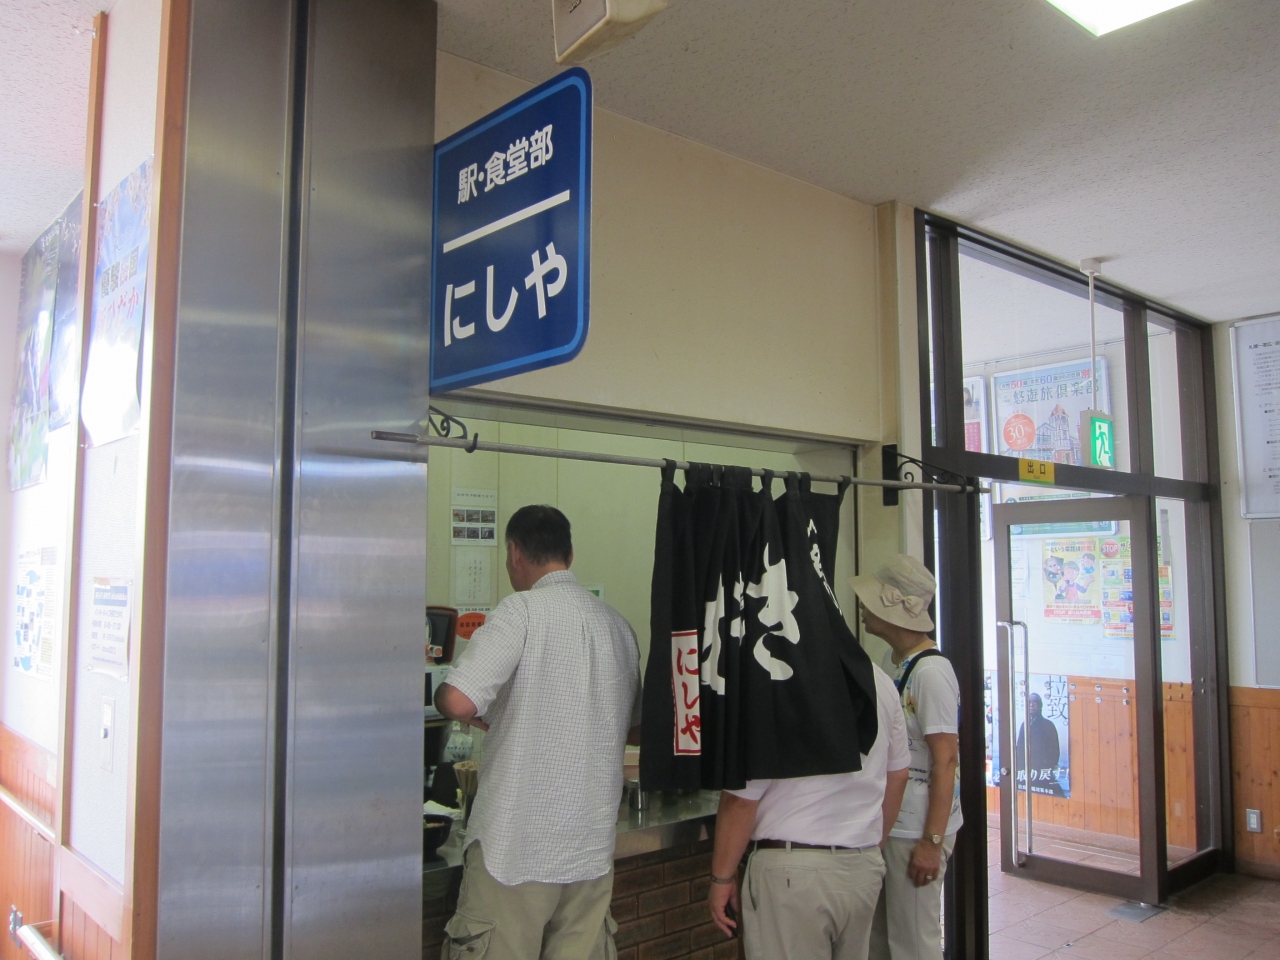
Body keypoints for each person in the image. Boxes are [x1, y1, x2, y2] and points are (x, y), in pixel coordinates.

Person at [435, 505, 642, 960]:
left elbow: (458, 702)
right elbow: (635, 728)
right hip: (590, 853)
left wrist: (451, 699)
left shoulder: (521, 611)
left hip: (515, 851)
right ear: (570, 554)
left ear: (514, 553)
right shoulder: (618, 627)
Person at [706, 658, 910, 960]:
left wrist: (721, 877)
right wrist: (870, 846)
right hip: (861, 866)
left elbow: (741, 799)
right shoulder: (879, 680)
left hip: (792, 872)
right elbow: (899, 774)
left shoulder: (776, 676)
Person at [856, 555, 962, 960]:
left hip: (918, 828)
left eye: (872, 600)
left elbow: (946, 760)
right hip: (895, 822)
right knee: (881, 942)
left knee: (914, 943)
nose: (863, 607)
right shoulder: (894, 663)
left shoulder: (931, 673)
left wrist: (932, 842)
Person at [1015, 693, 1064, 796]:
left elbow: (1054, 752)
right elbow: (1019, 749)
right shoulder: (1024, 724)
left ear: (1040, 705)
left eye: (1035, 702)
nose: (1031, 705)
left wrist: (1044, 769)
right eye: (1029, 702)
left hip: (1042, 774)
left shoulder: (1048, 725)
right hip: (1025, 773)